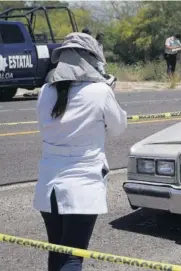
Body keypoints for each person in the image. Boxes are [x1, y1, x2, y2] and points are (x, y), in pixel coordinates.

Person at [34, 32, 127, 271]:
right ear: (90, 59)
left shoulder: (46, 91)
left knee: (56, 251)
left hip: (48, 184)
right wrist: (109, 90)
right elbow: (118, 128)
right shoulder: (100, 91)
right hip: (82, 185)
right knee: (73, 256)